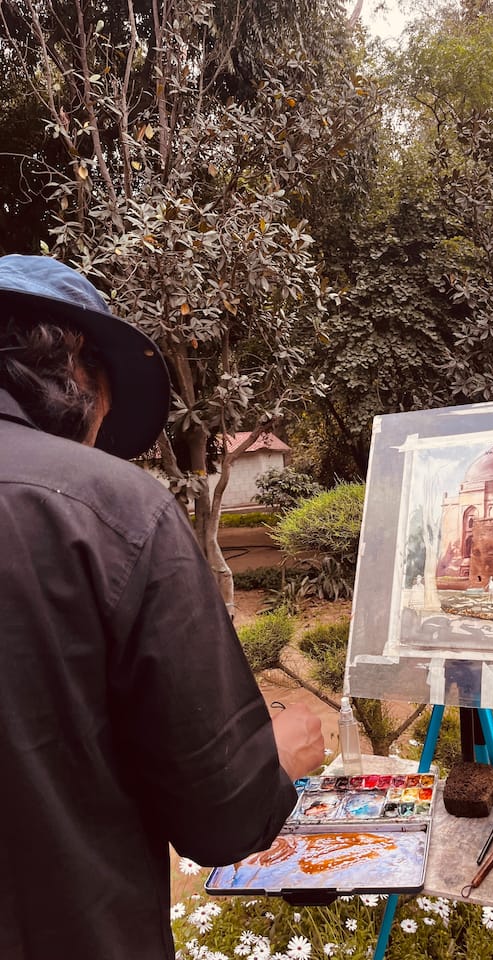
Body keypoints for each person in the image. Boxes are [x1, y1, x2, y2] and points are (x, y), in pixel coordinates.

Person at [0, 255, 325, 960]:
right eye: (107, 410)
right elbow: (222, 814)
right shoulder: (115, 511)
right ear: (76, 368)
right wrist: (276, 759)